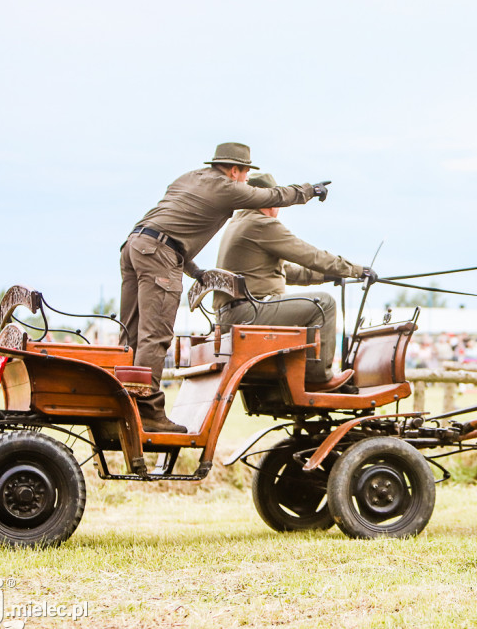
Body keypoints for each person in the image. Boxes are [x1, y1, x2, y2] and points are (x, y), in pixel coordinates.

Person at [120, 143, 326, 433]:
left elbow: (173, 228)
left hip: (134, 245)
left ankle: (121, 400)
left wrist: (194, 271)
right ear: (234, 170)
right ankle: (148, 411)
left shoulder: (188, 178)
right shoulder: (227, 187)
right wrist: (309, 191)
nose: (245, 180)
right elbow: (271, 195)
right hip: (158, 253)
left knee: (130, 332)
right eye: (244, 173)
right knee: (155, 335)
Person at [212, 171, 375, 393]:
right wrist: (356, 270)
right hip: (248, 312)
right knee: (324, 304)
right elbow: (309, 255)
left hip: (233, 313)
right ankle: (319, 377)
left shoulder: (239, 223)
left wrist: (331, 275)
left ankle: (305, 372)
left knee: (316, 302)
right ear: (270, 201)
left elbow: (284, 271)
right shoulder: (261, 224)